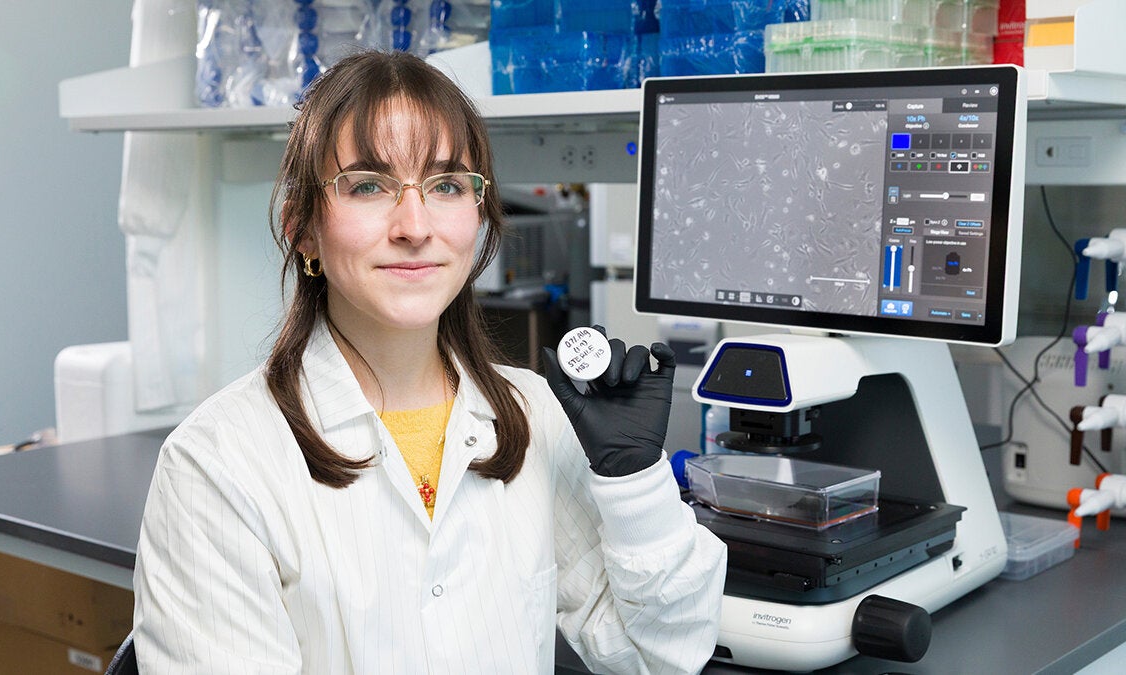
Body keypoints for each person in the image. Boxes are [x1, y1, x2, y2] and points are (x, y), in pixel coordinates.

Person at [132, 49, 728, 674]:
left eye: (445, 185)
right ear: (303, 228)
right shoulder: (216, 465)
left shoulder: (533, 418)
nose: (414, 225)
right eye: (368, 185)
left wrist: (634, 481)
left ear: (478, 215)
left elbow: (662, 657)